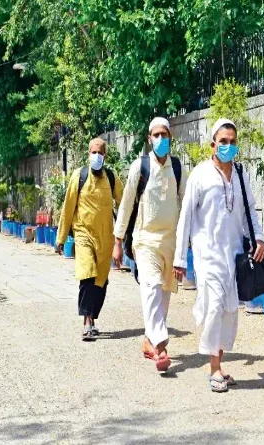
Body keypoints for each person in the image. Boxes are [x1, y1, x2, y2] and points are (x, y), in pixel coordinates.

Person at [173, 118, 264, 393]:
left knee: (229, 311)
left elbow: (249, 207)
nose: (227, 146)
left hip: (234, 253)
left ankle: (219, 364)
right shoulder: (200, 175)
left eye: (232, 141)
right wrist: (180, 258)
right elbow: (186, 217)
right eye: (223, 141)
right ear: (212, 145)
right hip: (207, 254)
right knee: (214, 306)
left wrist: (258, 238)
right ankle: (213, 368)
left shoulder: (239, 173)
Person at [113, 118, 187, 371]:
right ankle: (161, 346)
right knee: (152, 288)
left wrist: (187, 243)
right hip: (144, 240)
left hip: (170, 242)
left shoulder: (177, 167)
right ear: (149, 139)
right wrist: (118, 240)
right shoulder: (139, 166)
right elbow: (125, 204)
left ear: (170, 137)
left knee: (164, 294)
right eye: (156, 135)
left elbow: (186, 205)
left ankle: (148, 340)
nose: (160, 139)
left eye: (164, 135)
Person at [57, 138, 124, 340]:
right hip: (83, 234)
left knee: (100, 281)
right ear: (88, 154)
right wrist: (61, 238)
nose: (96, 156)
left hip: (105, 238)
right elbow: (68, 208)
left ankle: (92, 318)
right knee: (87, 274)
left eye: (100, 153)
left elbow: (124, 203)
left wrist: (126, 235)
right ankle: (86, 322)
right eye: (93, 152)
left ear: (105, 156)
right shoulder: (79, 176)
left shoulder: (111, 178)